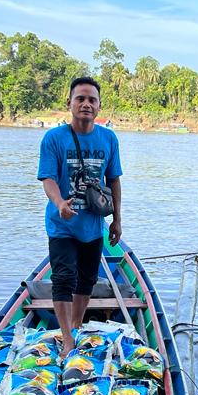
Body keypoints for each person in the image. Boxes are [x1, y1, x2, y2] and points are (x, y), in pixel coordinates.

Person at [37, 77, 123, 356]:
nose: (86, 104)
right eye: (80, 99)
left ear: (99, 106)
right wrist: (59, 202)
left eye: (92, 100)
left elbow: (114, 180)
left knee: (87, 280)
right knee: (63, 278)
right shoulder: (54, 138)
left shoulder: (108, 138)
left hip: (93, 226)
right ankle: (67, 337)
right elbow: (48, 178)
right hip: (61, 224)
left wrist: (117, 220)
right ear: (70, 103)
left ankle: (75, 325)